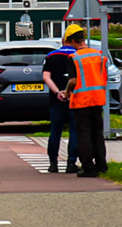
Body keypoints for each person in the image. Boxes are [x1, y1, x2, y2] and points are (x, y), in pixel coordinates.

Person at [63, 29, 108, 177]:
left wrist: (67, 92)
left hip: (82, 101)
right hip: (97, 99)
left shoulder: (74, 58)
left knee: (84, 135)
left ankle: (88, 167)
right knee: (97, 133)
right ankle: (102, 165)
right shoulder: (99, 56)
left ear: (74, 42)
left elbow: (74, 80)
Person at [42, 24, 82, 173]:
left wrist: (58, 92)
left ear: (63, 40)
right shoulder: (78, 56)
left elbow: (46, 77)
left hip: (56, 99)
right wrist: (68, 92)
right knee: (74, 130)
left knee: (55, 130)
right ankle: (71, 163)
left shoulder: (51, 56)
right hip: (75, 98)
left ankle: (53, 163)